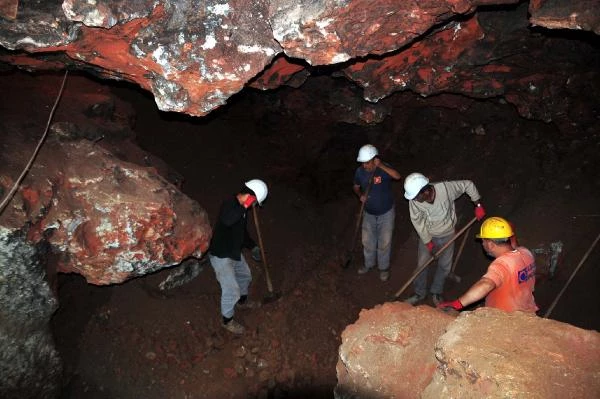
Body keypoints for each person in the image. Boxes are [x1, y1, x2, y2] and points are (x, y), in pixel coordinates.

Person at [403, 172, 486, 306]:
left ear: (425, 191)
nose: (414, 199)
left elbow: (468, 185)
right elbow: (418, 222)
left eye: (416, 196)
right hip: (429, 235)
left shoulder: (446, 189)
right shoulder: (414, 202)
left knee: (445, 266)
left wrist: (478, 205)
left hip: (448, 234)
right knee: (421, 266)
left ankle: (436, 291)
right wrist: (427, 241)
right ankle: (419, 293)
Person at [437, 216, 538, 313]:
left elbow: (486, 284)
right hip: (527, 312)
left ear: (490, 244)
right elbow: (515, 245)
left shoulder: (501, 264)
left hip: (505, 318)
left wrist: (457, 304)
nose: (482, 244)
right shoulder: (526, 253)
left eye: (483, 241)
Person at [208, 179, 268, 334]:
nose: (254, 206)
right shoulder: (230, 203)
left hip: (234, 251)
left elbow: (241, 232)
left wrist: (252, 246)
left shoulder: (242, 210)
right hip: (221, 254)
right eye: (255, 201)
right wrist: (246, 205)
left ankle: (242, 302)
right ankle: (227, 321)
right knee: (231, 290)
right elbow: (228, 220)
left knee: (245, 276)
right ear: (251, 197)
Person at [353, 144, 401, 282]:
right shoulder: (360, 172)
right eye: (363, 163)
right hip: (368, 213)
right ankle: (369, 264)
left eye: (367, 163)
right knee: (367, 241)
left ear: (375, 160)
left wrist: (381, 166)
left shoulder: (383, 169)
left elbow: (397, 176)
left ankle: (383, 268)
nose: (364, 166)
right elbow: (355, 186)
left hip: (386, 213)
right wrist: (360, 195)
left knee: (384, 242)